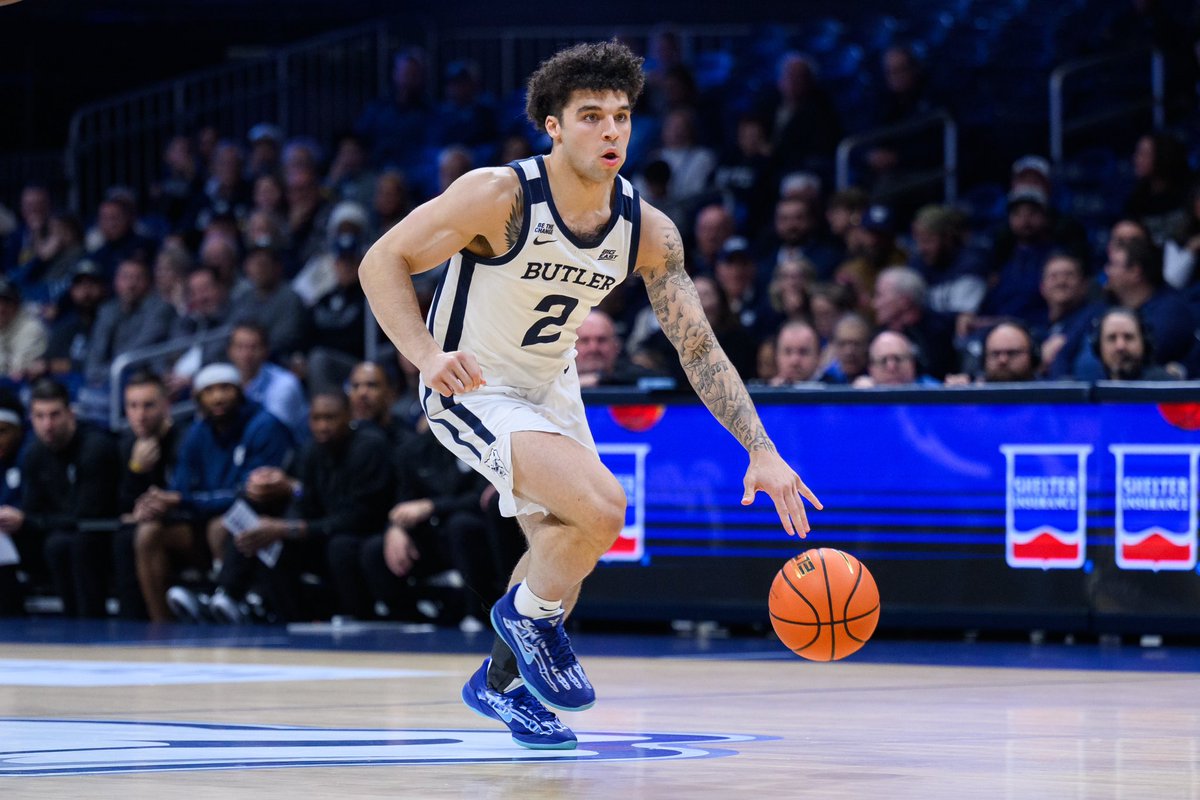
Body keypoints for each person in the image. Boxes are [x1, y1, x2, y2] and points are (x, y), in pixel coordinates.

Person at [358, 40, 820, 751]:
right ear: (553, 126)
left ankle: (501, 683)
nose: (611, 132)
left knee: (566, 543)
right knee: (604, 507)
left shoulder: (648, 230)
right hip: (472, 383)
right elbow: (380, 259)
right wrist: (424, 354)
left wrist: (760, 448)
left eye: (622, 117)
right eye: (591, 116)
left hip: (551, 383)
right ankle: (529, 623)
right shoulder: (500, 195)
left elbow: (697, 345)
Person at [206, 391, 393, 623]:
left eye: (330, 418)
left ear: (348, 415)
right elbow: (303, 498)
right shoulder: (309, 450)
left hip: (361, 533)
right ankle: (235, 598)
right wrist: (274, 493)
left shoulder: (369, 447)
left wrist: (289, 528)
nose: (322, 426)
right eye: (316, 419)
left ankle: (356, 616)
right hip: (321, 531)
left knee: (337, 546)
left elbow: (360, 516)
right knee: (267, 537)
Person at [134, 363, 291, 622]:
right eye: (209, 391)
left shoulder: (265, 425)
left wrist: (183, 500)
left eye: (225, 389)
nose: (217, 397)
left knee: (221, 526)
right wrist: (157, 504)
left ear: (240, 392)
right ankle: (160, 625)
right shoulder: (198, 431)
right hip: (203, 521)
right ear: (197, 398)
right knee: (148, 532)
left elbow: (252, 493)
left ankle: (226, 598)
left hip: (257, 520)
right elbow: (181, 488)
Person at [5, 378, 119, 617]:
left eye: (54, 415)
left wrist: (29, 520)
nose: (47, 424)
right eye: (40, 416)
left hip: (101, 532)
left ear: (70, 413)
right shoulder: (34, 453)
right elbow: (33, 508)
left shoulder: (95, 448)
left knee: (68, 545)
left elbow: (87, 514)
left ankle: (89, 621)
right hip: (57, 532)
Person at [112, 371, 182, 619]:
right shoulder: (124, 444)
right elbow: (121, 505)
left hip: (186, 526)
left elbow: (186, 492)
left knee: (144, 533)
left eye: (148, 405)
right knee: (123, 537)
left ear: (166, 405)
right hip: (149, 526)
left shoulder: (183, 439)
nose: (140, 415)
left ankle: (158, 623)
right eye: (132, 406)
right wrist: (136, 469)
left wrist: (155, 508)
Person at [85, 257, 177, 386]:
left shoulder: (161, 308)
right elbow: (96, 354)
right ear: (116, 281)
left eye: (137, 278)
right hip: (112, 377)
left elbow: (138, 351)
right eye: (125, 277)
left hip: (146, 375)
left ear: (148, 283)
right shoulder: (107, 310)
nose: (131, 285)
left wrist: (107, 372)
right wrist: (98, 373)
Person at [227, 322, 308, 445]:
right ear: (230, 351)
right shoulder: (226, 382)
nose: (246, 354)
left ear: (266, 350)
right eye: (240, 347)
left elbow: (272, 431)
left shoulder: (285, 384)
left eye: (253, 347)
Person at [0, 391, 29, 615]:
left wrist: (24, 517)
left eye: (2, 431)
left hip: (30, 534)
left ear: (19, 431)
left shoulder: (31, 456)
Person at [1094, 307, 1177, 381]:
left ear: (1144, 342)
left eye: (1128, 337)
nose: (1120, 346)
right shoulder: (1091, 389)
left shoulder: (1166, 387)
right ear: (1098, 345)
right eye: (1112, 338)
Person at [768, 320, 822, 386]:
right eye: (788, 352)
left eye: (803, 352)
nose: (794, 361)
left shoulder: (835, 389)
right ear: (776, 356)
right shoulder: (759, 392)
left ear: (818, 356)